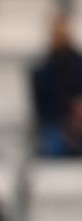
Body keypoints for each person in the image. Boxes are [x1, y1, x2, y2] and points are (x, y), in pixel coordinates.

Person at [32, 11, 82, 157]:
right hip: (56, 125)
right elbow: (43, 109)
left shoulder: (78, 63)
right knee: (52, 144)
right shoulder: (43, 69)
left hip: (76, 121)